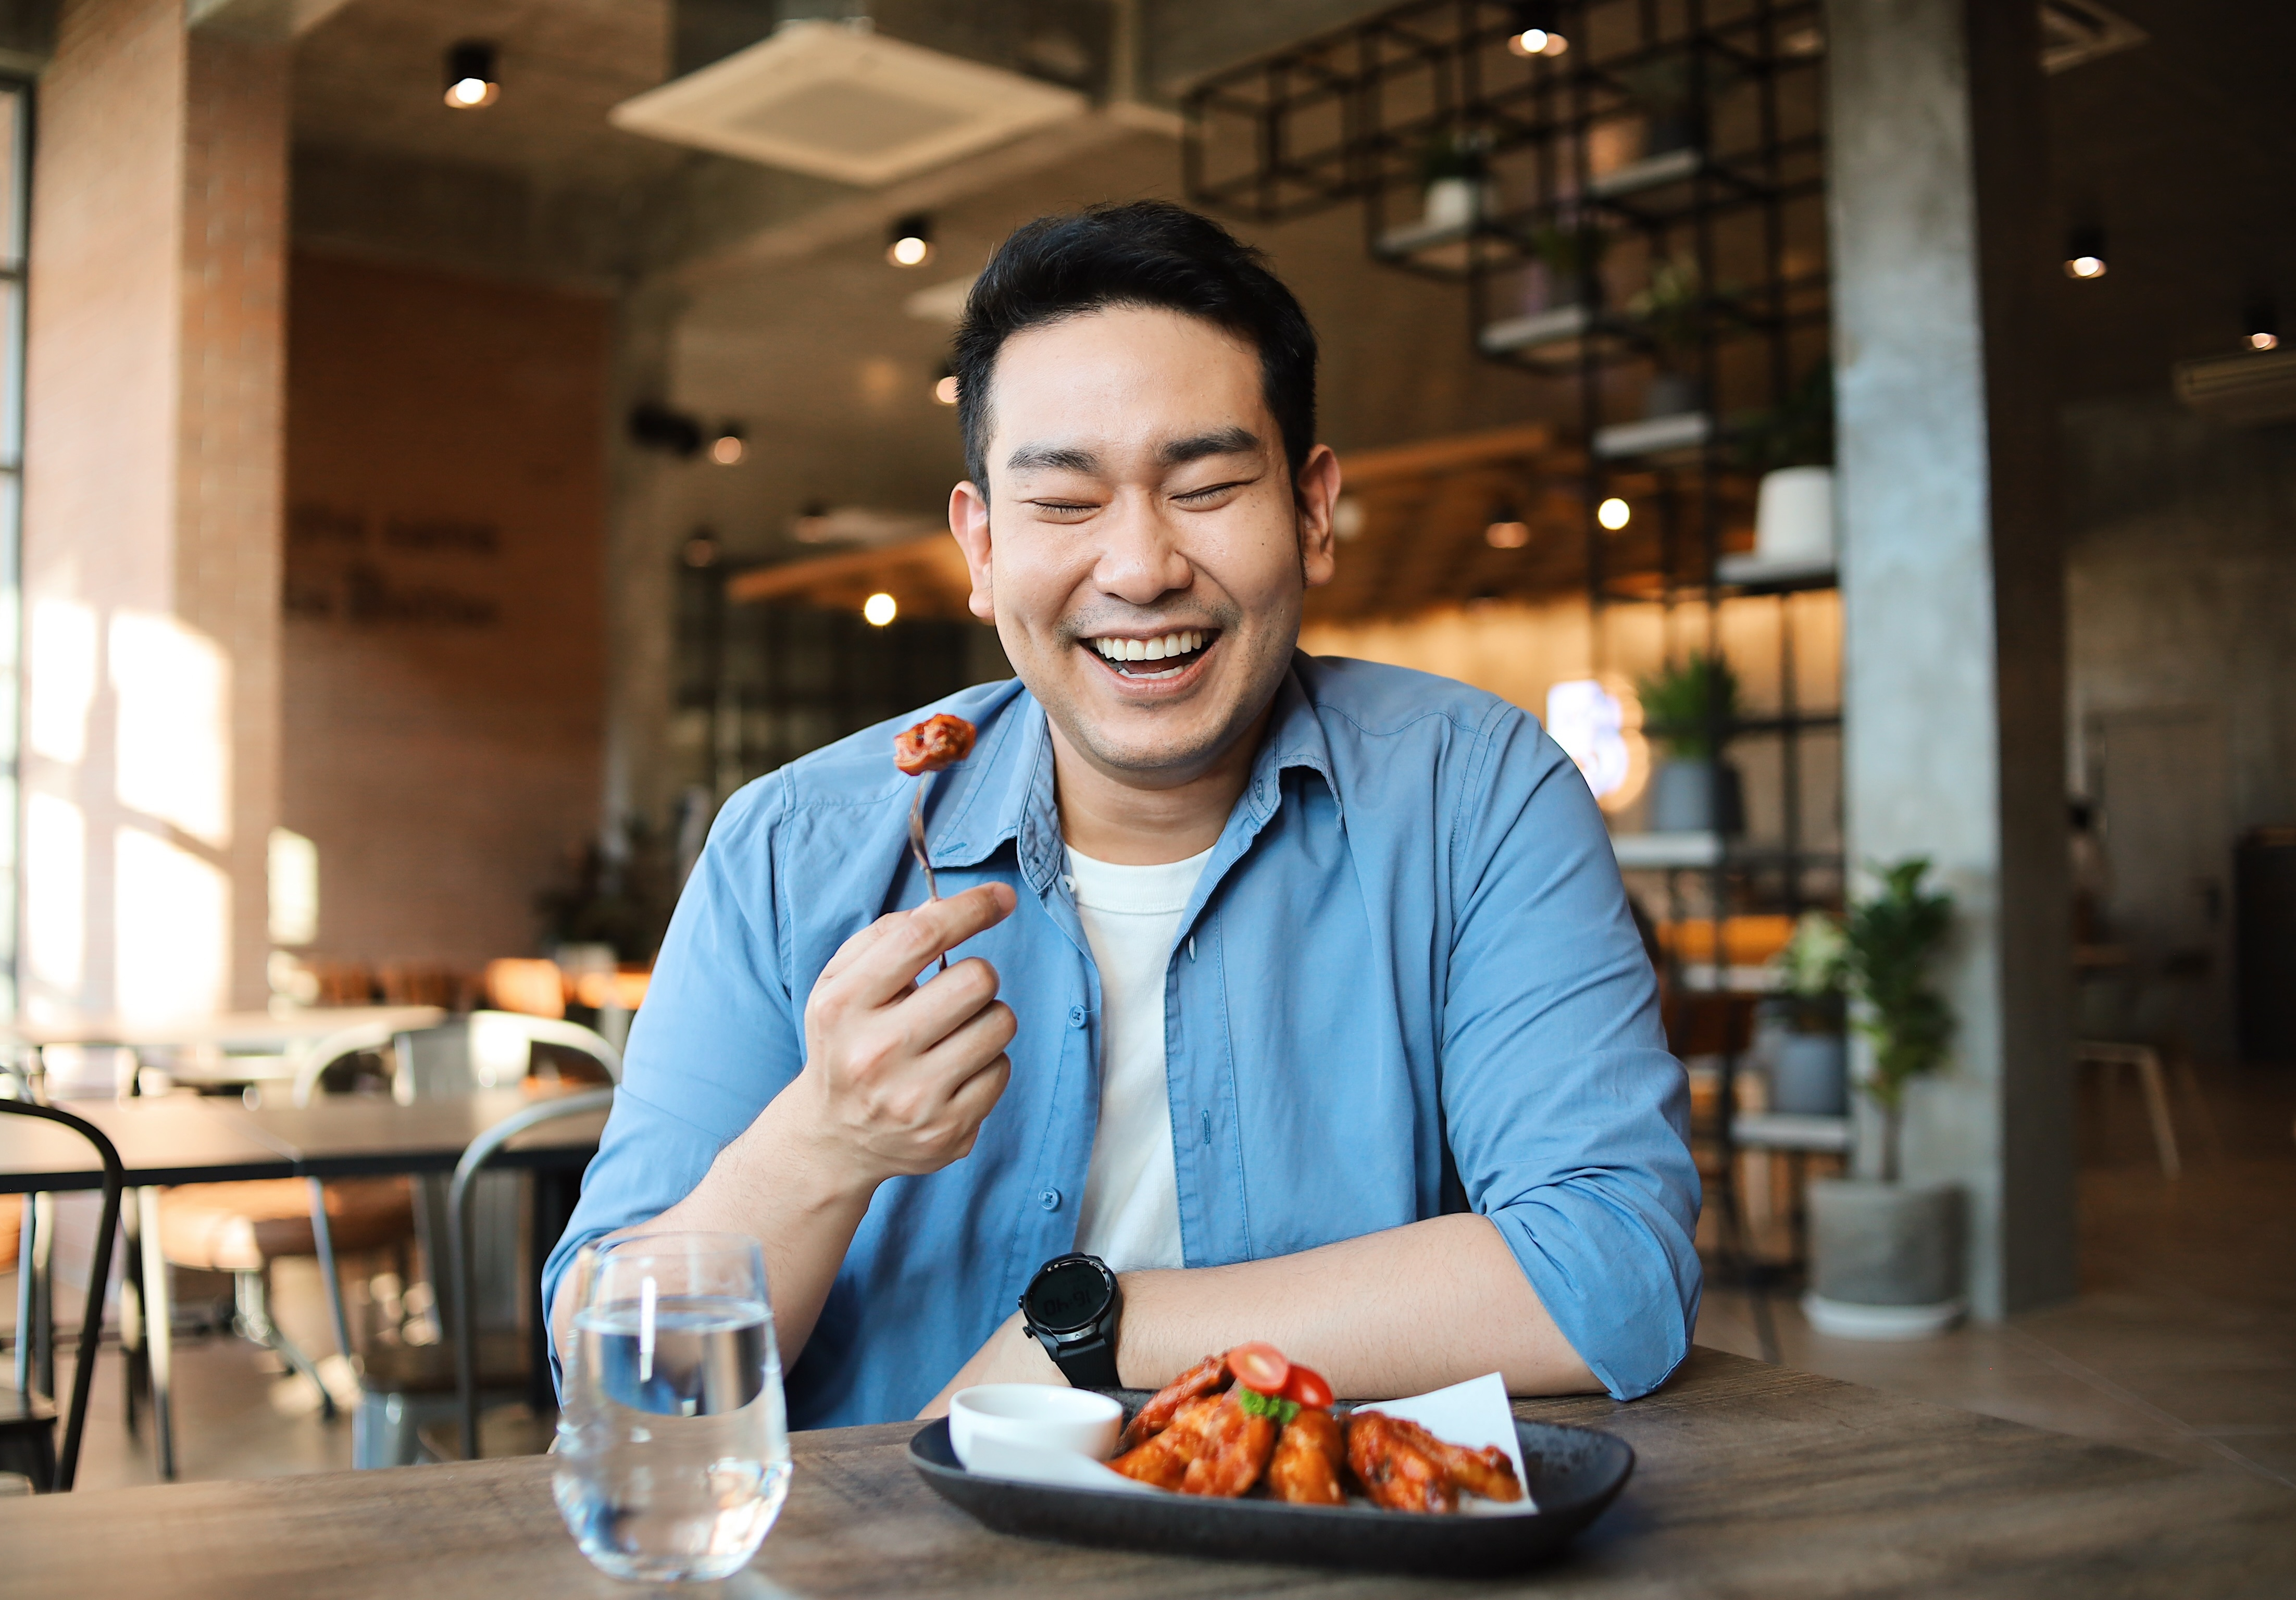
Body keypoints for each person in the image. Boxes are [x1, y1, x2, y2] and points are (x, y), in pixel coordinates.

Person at [544, 201, 1699, 1427]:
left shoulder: (1473, 797)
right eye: (1064, 502)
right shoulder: (795, 849)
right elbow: (618, 1383)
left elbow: (1613, 1270)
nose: (1141, 567)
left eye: (1205, 485)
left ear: (1312, 514)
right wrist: (822, 1146)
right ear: (980, 545)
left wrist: (1088, 1340)